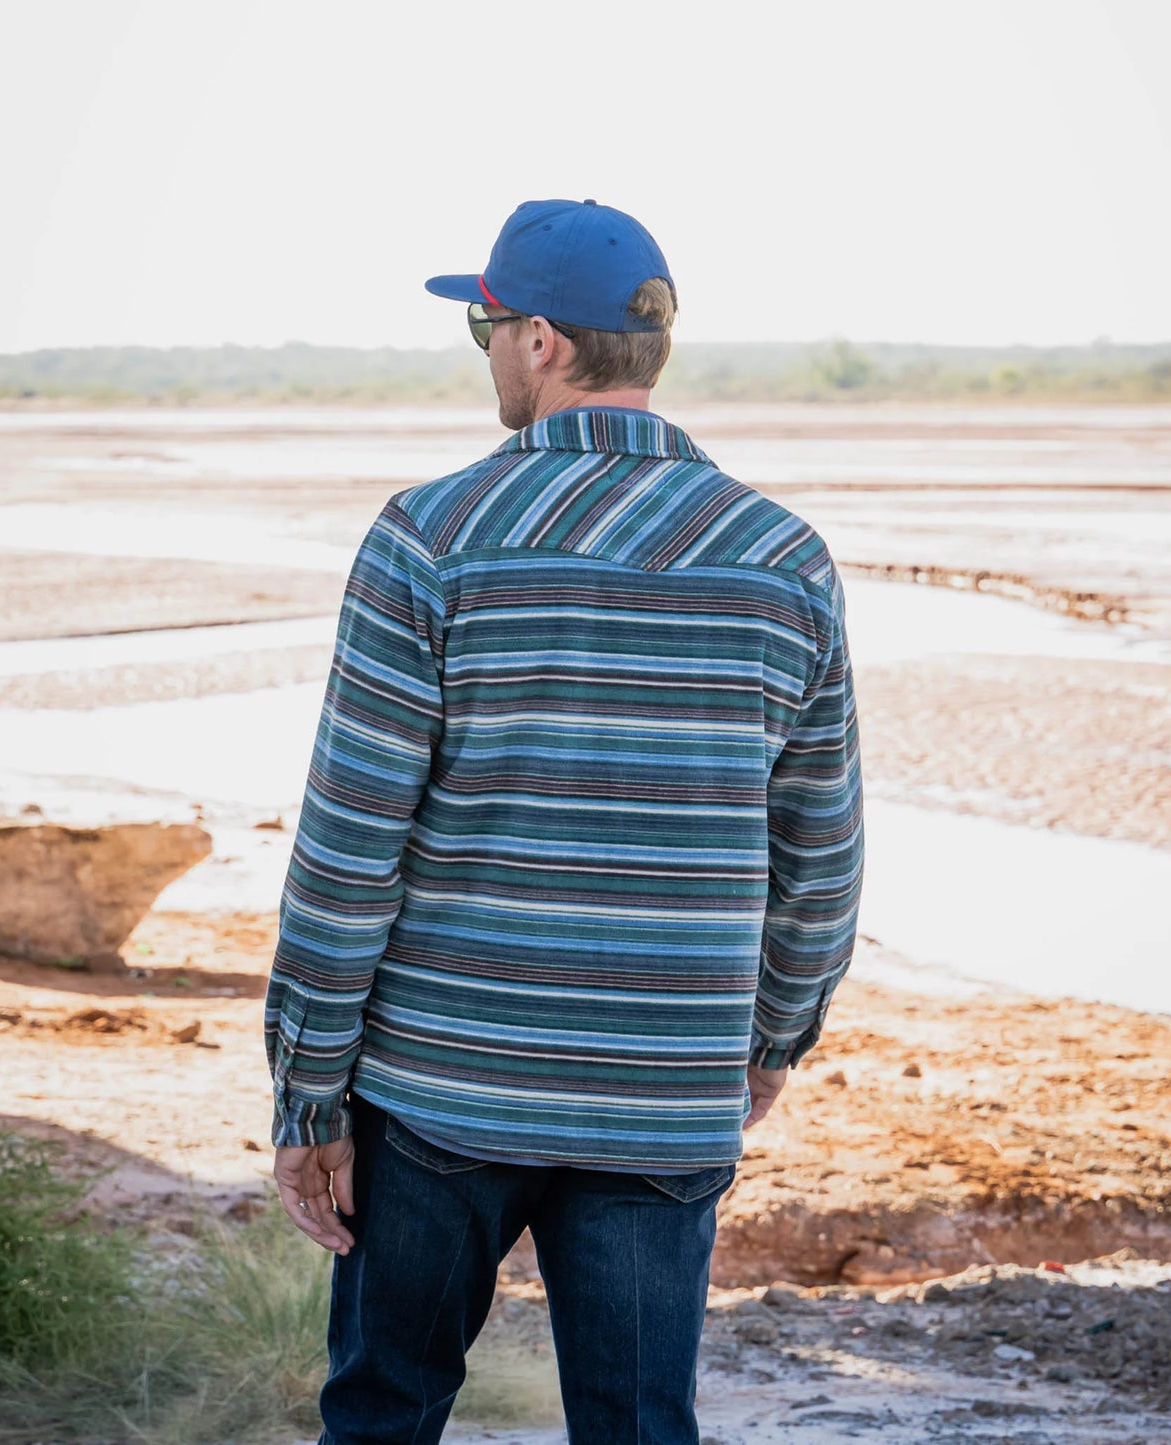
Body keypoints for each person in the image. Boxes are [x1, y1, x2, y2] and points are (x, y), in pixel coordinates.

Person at [265, 198, 865, 1445]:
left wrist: (308, 1093)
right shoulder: (783, 558)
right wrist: (766, 1039)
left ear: (539, 340)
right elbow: (822, 852)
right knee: (642, 1424)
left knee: (382, 1410)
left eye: (481, 324)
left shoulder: (430, 537)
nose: (481, 348)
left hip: (440, 1086)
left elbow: (348, 845)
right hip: (663, 1089)